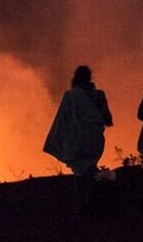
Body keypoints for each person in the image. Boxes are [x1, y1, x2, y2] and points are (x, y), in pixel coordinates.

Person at [43, 65, 113, 203]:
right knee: (89, 169)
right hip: (95, 140)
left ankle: (83, 202)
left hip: (77, 141)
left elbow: (62, 119)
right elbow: (108, 120)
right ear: (89, 77)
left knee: (81, 172)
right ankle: (94, 200)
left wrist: (57, 140)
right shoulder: (99, 95)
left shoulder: (71, 96)